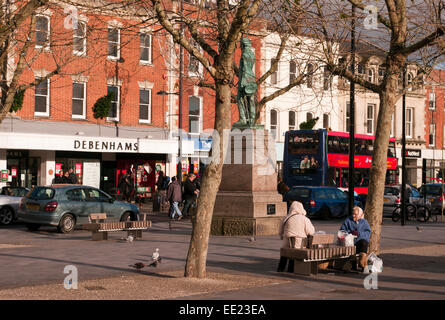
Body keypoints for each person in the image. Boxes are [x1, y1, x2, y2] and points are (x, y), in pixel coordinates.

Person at [277, 201, 315, 273]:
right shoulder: (304, 219)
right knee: (295, 251)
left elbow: (280, 232)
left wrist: (283, 236)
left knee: (285, 251)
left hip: (287, 242)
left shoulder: (286, 218)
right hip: (299, 243)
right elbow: (310, 232)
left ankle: (281, 268)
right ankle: (291, 269)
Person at [339, 206, 371, 273]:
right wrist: (349, 233)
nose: (353, 216)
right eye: (353, 214)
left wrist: (359, 234)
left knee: (364, 243)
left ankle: (363, 263)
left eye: (355, 214)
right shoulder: (348, 220)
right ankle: (352, 264)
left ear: (359, 215)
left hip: (360, 242)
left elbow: (368, 233)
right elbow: (342, 230)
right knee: (349, 246)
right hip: (350, 242)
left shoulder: (364, 222)